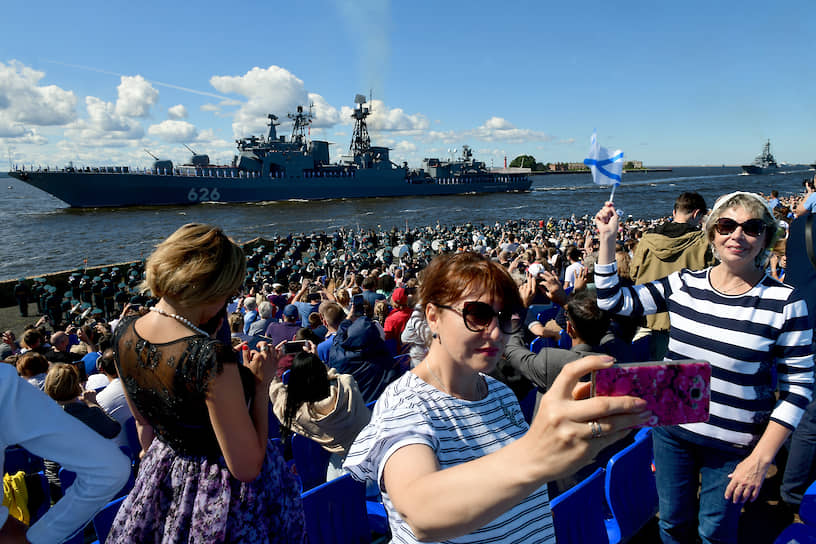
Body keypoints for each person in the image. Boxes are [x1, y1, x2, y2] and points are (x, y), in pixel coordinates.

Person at [344, 252, 650, 543]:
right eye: (477, 314)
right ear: (433, 316)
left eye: (505, 318)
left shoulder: (499, 392)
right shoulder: (405, 404)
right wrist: (538, 453)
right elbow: (421, 511)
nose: (495, 333)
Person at [593, 192, 814, 544]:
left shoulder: (785, 302)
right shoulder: (683, 284)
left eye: (751, 228)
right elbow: (613, 300)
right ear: (711, 234)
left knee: (715, 533)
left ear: (766, 238)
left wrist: (761, 459)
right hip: (672, 433)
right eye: (726, 225)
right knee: (673, 524)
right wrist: (607, 241)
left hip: (733, 445)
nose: (737, 236)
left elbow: (800, 387)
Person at [108, 223, 305, 543]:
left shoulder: (124, 330)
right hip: (219, 496)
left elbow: (144, 421)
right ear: (210, 290)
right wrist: (259, 386)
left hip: (162, 471)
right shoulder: (209, 358)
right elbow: (246, 468)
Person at [0, 364, 130, 544]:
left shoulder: (41, 421)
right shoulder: (90, 413)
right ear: (76, 385)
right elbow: (113, 429)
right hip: (108, 501)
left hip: (64, 503)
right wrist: (93, 404)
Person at [629, 191, 713, 359]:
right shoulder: (702, 242)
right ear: (697, 214)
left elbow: (633, 273)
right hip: (687, 319)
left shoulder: (647, 239)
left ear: (674, 212)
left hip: (650, 316)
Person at [270, 350, 371, 480]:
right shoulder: (347, 384)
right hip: (379, 459)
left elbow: (279, 398)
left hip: (353, 476)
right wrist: (315, 359)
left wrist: (272, 370)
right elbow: (333, 376)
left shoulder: (301, 413)